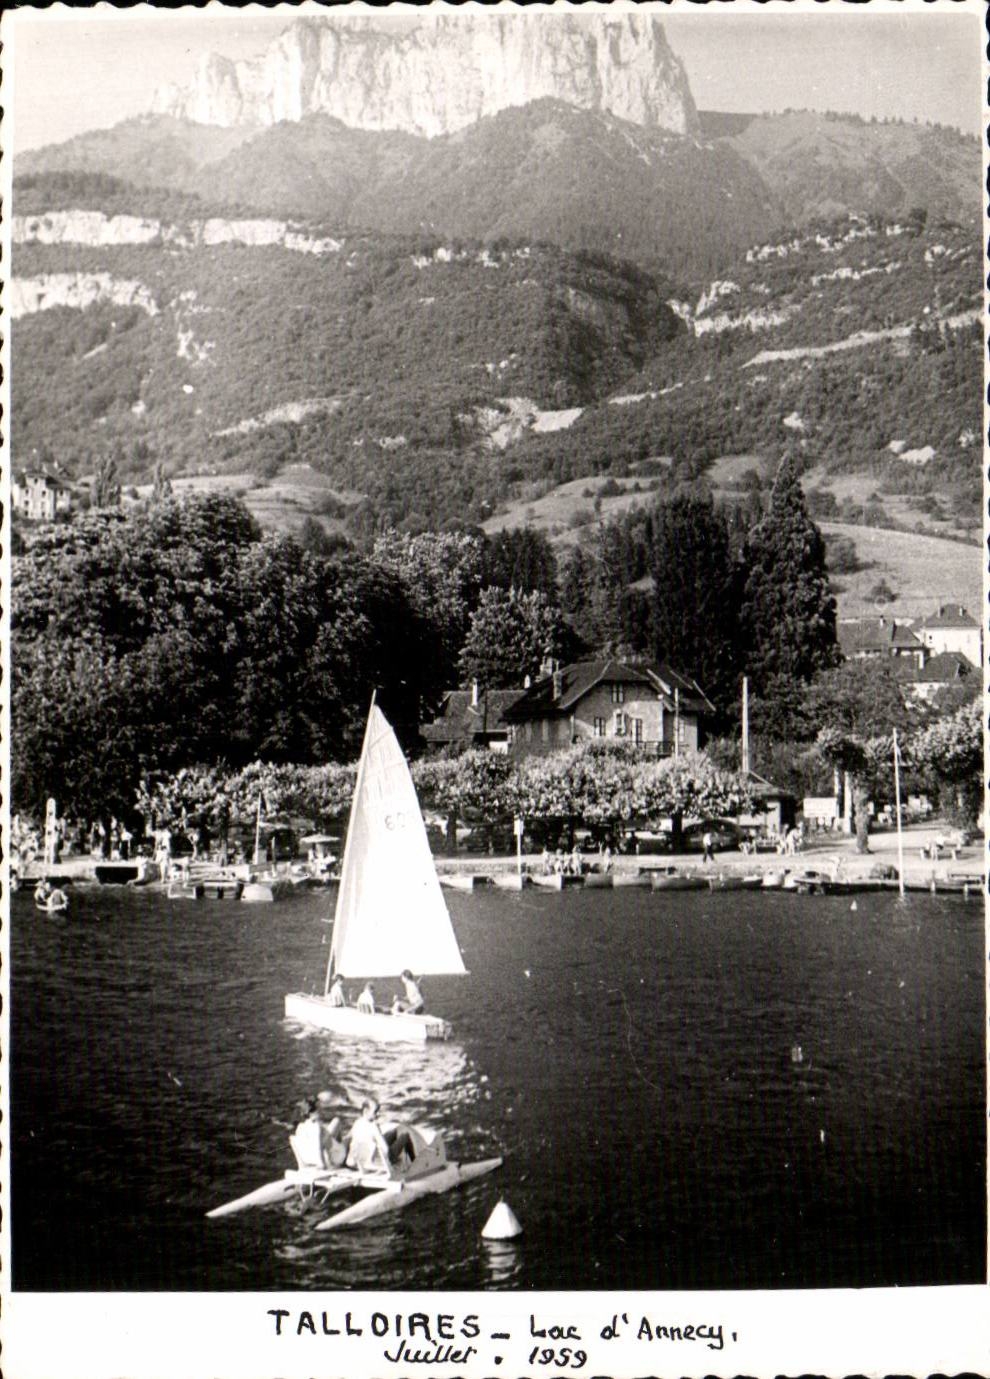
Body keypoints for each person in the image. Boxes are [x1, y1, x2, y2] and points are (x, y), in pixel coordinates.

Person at [346, 1099, 416, 1173]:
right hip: (373, 1162)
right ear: (366, 1111)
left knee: (393, 1132)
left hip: (357, 1162)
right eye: (375, 1112)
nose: (377, 1114)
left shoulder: (356, 1123)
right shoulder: (373, 1126)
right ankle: (415, 1164)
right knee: (405, 1136)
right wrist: (394, 1157)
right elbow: (386, 1150)